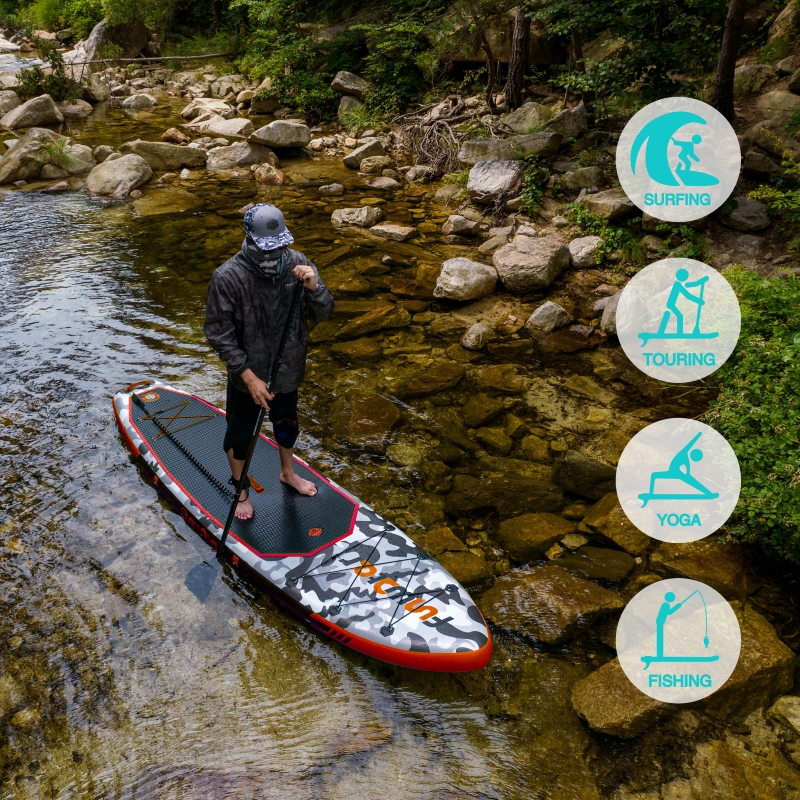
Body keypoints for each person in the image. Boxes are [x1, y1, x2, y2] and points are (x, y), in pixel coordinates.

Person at [205, 203, 334, 520]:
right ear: (248, 236)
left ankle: (288, 473)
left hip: (288, 370)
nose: (275, 254)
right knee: (239, 435)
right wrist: (249, 377)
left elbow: (326, 313)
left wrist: (314, 287)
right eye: (267, 247)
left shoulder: (299, 264)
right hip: (247, 377)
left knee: (287, 428)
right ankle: (240, 488)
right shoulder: (227, 277)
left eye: (280, 246)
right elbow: (218, 334)